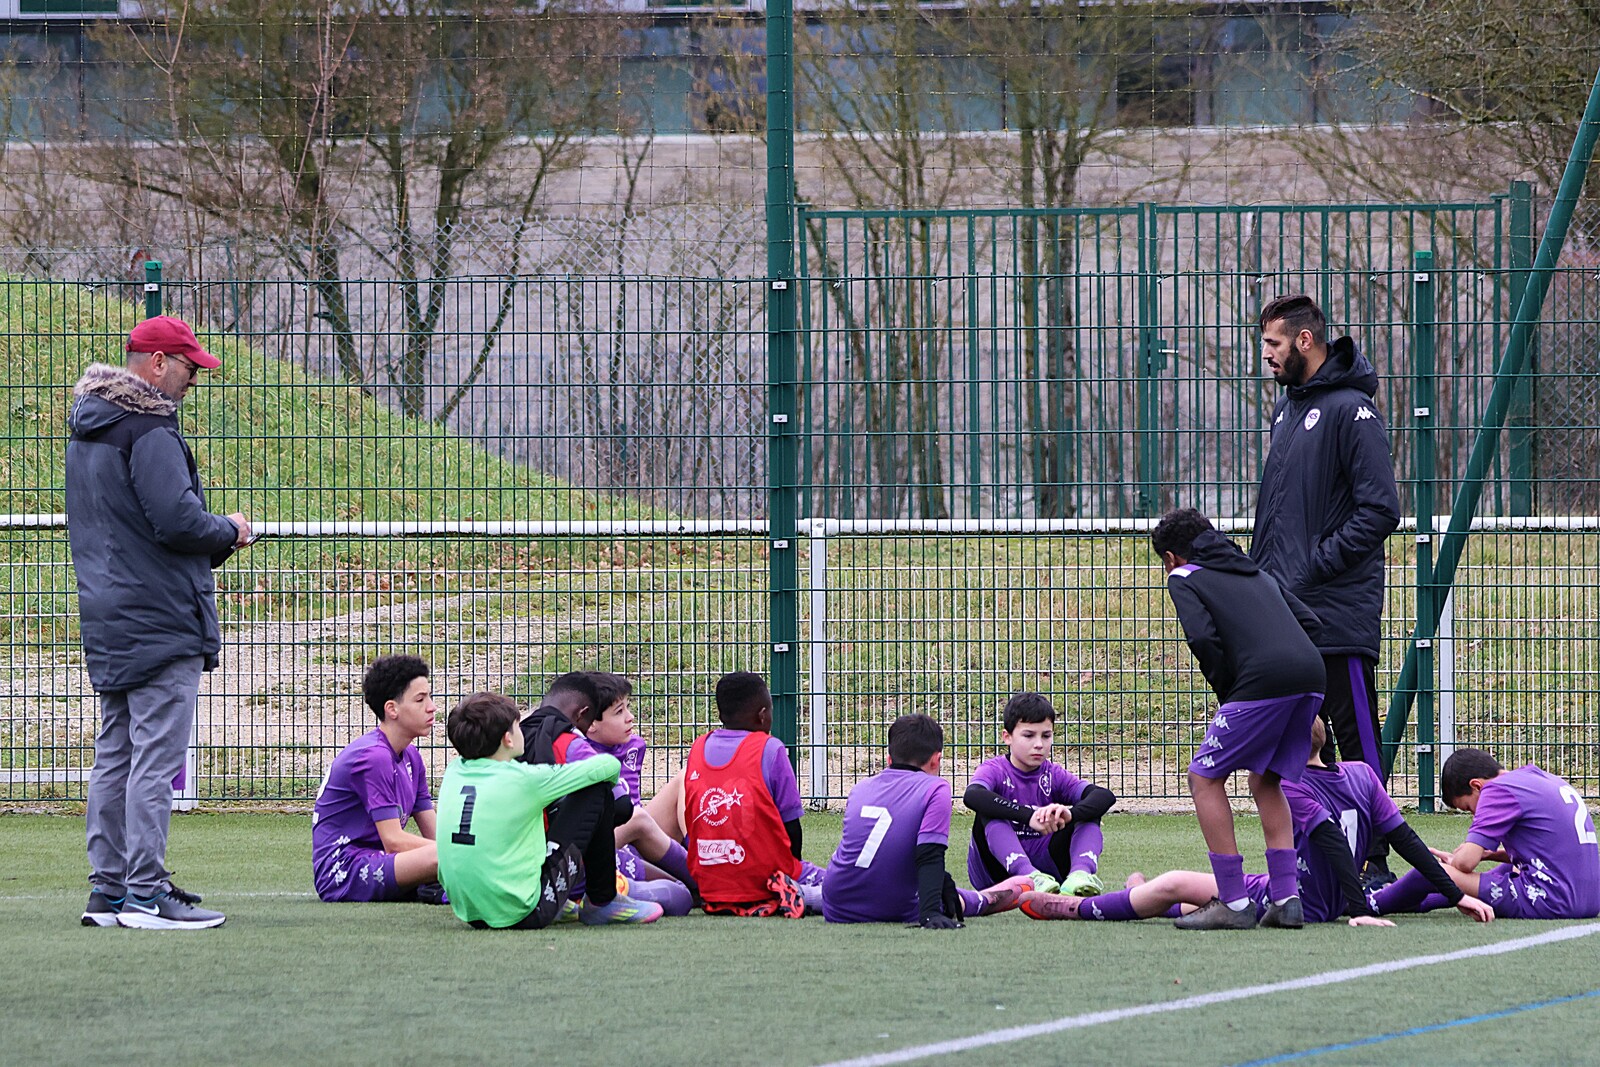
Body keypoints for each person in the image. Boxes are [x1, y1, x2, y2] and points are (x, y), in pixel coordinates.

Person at [70, 315, 250, 931]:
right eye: (189, 366)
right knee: (152, 760)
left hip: (109, 614)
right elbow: (177, 522)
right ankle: (146, 894)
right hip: (159, 618)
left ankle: (109, 892)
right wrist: (230, 530)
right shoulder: (149, 429)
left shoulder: (90, 428)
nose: (195, 377)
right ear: (157, 364)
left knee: (116, 754)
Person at [1020, 718, 1494, 927]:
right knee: (1195, 895)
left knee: (1178, 881)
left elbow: (1330, 840)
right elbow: (1406, 840)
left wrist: (1358, 909)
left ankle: (1081, 908)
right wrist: (1455, 895)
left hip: (1303, 899)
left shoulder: (1290, 786)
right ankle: (1142, 895)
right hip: (1334, 895)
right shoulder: (1362, 774)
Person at [1250, 294, 1402, 888]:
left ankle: (1377, 860)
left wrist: (1314, 567)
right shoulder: (1287, 410)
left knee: (1355, 735)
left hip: (1335, 611)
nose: (1266, 354)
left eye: (1273, 343)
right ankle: (1327, 856)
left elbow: (1380, 509)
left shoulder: (1351, 410)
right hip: (1287, 608)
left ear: (1305, 341)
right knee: (1299, 738)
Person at [1153, 507, 1325, 930]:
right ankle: (1287, 900)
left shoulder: (1183, 576)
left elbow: (1201, 637)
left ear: (1172, 557)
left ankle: (1232, 902)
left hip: (1262, 682)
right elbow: (1310, 622)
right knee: (1266, 780)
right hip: (1311, 676)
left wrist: (1230, 689)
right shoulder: (1256, 572)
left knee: (1204, 778)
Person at [435, 691, 663, 928]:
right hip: (523, 914)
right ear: (508, 739)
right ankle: (603, 901)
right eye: (518, 726)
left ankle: (562, 902)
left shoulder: (453, 772)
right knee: (596, 790)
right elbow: (607, 766)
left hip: (469, 913)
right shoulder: (523, 780)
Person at [824, 713, 1031, 927]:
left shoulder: (860, 788)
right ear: (936, 760)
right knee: (953, 899)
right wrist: (930, 913)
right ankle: (984, 900)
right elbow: (929, 853)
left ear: (889, 759)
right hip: (896, 905)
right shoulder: (936, 788)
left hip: (836, 904)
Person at [1373, 748, 1600, 920]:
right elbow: (1550, 851)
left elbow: (1465, 864)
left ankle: (1371, 903)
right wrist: (1490, 855)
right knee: (1505, 870)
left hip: (1552, 899)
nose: (1475, 814)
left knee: (1433, 871)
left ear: (1477, 786)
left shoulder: (1497, 789)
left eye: (1468, 807)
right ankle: (1417, 901)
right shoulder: (1544, 779)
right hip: (1590, 899)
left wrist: (1455, 861)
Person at [681, 671, 824, 917]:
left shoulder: (698, 747)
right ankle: (794, 891)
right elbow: (792, 827)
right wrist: (792, 869)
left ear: (721, 714)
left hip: (711, 888)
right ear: (763, 715)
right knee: (845, 884)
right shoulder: (771, 748)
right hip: (766, 881)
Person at [310, 655, 445, 904]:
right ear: (392, 709)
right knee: (447, 858)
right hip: (344, 869)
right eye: (420, 699)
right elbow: (394, 841)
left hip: (381, 860)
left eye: (430, 696)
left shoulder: (411, 756)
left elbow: (436, 836)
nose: (432, 707)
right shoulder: (374, 756)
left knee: (452, 855)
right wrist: (462, 855)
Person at [561, 671, 697, 915]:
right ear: (591, 723)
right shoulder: (577, 752)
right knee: (638, 820)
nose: (630, 717)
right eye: (619, 712)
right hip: (600, 846)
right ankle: (708, 880)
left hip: (634, 836)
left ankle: (702, 858)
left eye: (627, 707)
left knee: (685, 779)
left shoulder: (631, 745)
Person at [963, 692, 1116, 897]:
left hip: (1049, 872)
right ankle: (1028, 876)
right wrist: (1029, 816)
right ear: (1007, 737)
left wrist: (1070, 815)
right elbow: (973, 795)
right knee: (988, 809)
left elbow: (1103, 795)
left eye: (1046, 736)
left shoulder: (1053, 774)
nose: (1039, 744)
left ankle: (1079, 876)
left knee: (1089, 813)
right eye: (1028, 736)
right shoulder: (994, 769)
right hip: (995, 874)